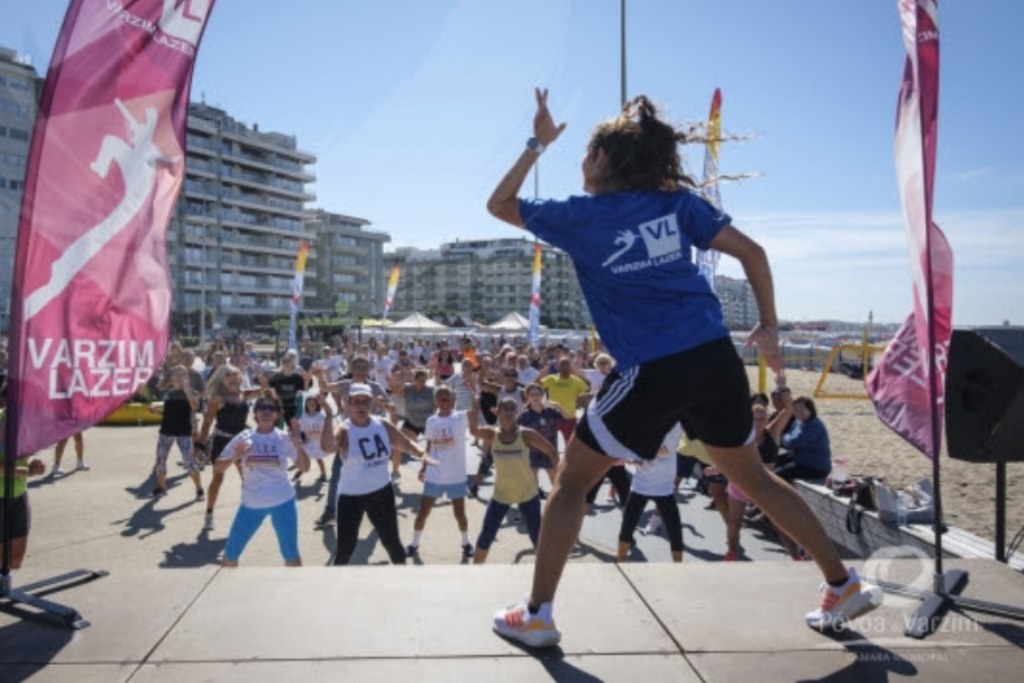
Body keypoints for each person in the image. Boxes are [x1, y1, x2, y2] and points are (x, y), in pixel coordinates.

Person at [484, 88, 880, 646]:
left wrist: (536, 143)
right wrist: (768, 327)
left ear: (599, 158)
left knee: (572, 481)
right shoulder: (677, 205)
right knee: (752, 477)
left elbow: (499, 204)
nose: (580, 161)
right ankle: (842, 584)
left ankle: (538, 614)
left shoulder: (580, 217)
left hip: (653, 367)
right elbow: (754, 254)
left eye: (584, 152)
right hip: (715, 359)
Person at [320, 383, 428, 565]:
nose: (361, 406)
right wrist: (329, 415)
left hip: (381, 493)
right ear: (348, 403)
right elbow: (327, 447)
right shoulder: (344, 430)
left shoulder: (382, 425)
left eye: (365, 402)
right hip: (350, 497)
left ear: (371, 404)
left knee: (393, 544)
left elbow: (407, 445)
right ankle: (335, 587)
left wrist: (423, 455)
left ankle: (406, 585)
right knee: (345, 548)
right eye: (356, 402)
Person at [216, 390, 310, 567]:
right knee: (229, 556)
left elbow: (304, 467)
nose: (266, 411)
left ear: (277, 413)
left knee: (291, 555)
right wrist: (235, 456)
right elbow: (218, 467)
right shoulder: (244, 437)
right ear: (256, 412)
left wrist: (298, 444)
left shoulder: (284, 438)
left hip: (282, 502)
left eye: (271, 408)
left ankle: (295, 590)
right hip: (251, 504)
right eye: (262, 407)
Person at [470, 396, 558, 565]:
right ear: (499, 411)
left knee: (538, 540)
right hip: (501, 495)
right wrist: (474, 406)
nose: (509, 411)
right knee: (485, 536)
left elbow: (552, 452)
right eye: (506, 408)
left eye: (512, 408)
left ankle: (545, 578)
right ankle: (475, 573)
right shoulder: (492, 434)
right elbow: (473, 431)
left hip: (528, 494)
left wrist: (559, 480)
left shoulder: (526, 434)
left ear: (517, 412)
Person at [407, 385, 476, 559]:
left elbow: (475, 410)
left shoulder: (460, 418)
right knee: (423, 511)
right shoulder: (431, 421)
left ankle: (466, 542)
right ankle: (414, 543)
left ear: (454, 401)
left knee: (460, 513)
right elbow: (429, 444)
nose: (444, 402)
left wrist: (474, 387)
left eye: (448, 399)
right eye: (441, 398)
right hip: (434, 475)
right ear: (435, 401)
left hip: (456, 477)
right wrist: (423, 466)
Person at [196, 364, 267, 531]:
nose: (233, 378)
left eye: (236, 374)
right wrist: (199, 444)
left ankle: (248, 513)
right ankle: (209, 513)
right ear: (222, 379)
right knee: (218, 478)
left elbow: (266, 389)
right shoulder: (218, 399)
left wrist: (260, 375)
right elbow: (206, 423)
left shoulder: (244, 394)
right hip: (222, 441)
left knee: (247, 478)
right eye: (228, 375)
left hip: (242, 441)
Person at [617, 426, 685, 563]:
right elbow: (631, 447)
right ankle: (620, 564)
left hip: (664, 489)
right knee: (626, 529)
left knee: (675, 532)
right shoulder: (645, 421)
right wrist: (633, 458)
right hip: (640, 487)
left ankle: (679, 568)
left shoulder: (678, 422)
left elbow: (664, 451)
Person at [150, 365, 204, 499]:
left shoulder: (191, 392)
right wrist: (157, 411)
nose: (179, 377)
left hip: (183, 432)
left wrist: (186, 391)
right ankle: (161, 487)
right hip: (166, 431)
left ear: (187, 377)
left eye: (183, 374)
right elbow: (169, 413)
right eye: (176, 374)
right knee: (160, 461)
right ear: (171, 377)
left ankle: (199, 489)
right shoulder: (167, 393)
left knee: (189, 462)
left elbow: (195, 407)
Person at [0, 416, 47, 568]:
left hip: (19, 495)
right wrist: (28, 472)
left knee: (16, 559)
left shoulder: (26, 420)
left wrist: (33, 462)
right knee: (1, 559)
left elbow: (27, 453)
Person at [294, 394, 330, 484]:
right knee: (305, 458)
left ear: (317, 405)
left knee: (319, 459)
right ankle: (299, 472)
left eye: (313, 403)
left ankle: (324, 475)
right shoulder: (304, 416)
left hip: (317, 441)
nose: (311, 405)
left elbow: (324, 428)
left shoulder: (320, 416)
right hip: (307, 441)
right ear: (306, 405)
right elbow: (301, 427)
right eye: (309, 404)